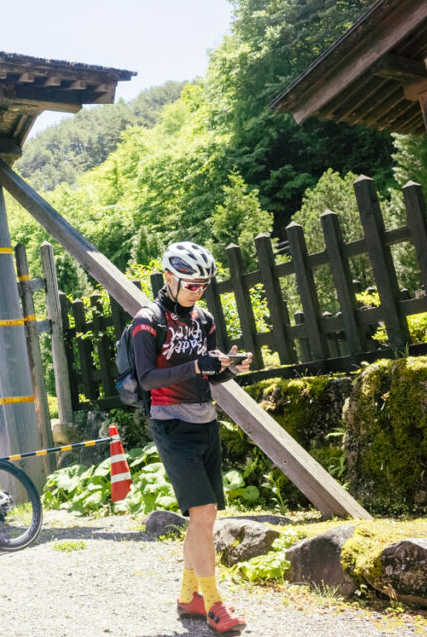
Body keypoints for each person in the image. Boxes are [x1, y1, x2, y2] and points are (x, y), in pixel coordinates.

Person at [130, 241, 252, 633]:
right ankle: (215, 605)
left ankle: (188, 597)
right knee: (203, 514)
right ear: (169, 277)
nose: (197, 291)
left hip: (205, 420)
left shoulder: (204, 319)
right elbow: (147, 378)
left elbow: (210, 372)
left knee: (206, 517)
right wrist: (196, 365)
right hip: (170, 423)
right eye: (190, 284)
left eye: (203, 284)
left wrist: (230, 368)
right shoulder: (147, 321)